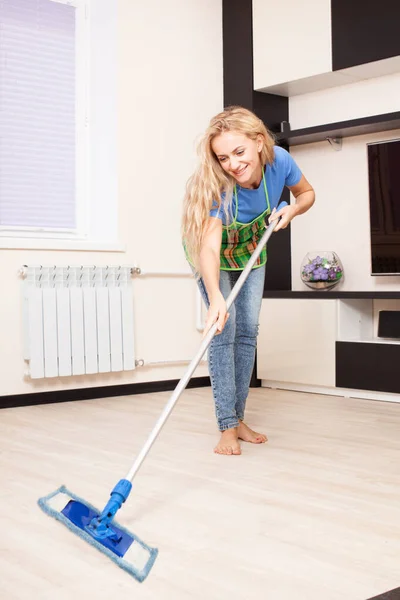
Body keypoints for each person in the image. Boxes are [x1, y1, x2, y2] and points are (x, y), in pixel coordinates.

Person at [182, 106, 315, 456]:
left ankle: (237, 418)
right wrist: (215, 298)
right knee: (224, 328)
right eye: (223, 157)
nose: (233, 164)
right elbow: (209, 248)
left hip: (251, 247)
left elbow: (306, 194)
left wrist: (292, 209)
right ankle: (226, 426)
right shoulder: (216, 185)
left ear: (258, 142)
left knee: (248, 329)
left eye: (239, 152)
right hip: (210, 251)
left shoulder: (280, 161)